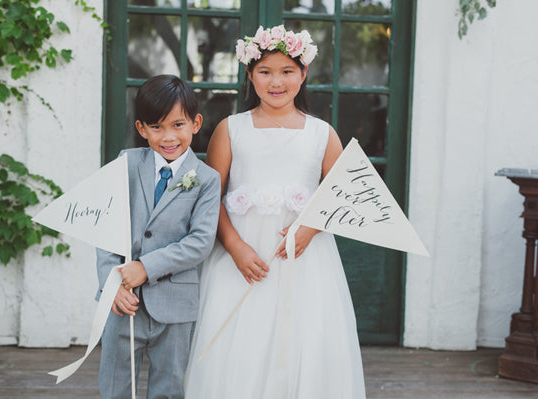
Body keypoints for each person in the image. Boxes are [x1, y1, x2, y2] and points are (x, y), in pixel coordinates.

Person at [183, 25, 366, 398]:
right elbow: (209, 198)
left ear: (303, 74)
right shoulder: (230, 129)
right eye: (265, 72)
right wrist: (235, 246)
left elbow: (340, 195)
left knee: (303, 335)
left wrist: (309, 230)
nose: (276, 81)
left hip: (303, 259)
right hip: (243, 255)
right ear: (250, 75)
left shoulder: (321, 133)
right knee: (238, 337)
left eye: (287, 71)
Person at [96, 74, 221, 399]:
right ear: (141, 128)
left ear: (195, 123)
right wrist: (111, 284)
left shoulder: (206, 180)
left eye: (178, 125)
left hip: (176, 306)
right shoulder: (125, 163)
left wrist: (145, 266)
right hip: (125, 298)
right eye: (157, 127)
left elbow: (200, 242)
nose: (168, 137)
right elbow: (105, 226)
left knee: (168, 388)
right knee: (115, 386)